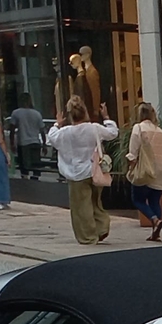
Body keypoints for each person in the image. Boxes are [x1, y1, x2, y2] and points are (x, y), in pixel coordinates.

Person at [47, 98, 118, 244]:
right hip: (94, 170)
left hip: (76, 173)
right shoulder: (93, 128)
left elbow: (51, 138)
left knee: (81, 207)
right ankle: (102, 226)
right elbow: (112, 133)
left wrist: (57, 123)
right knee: (96, 202)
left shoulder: (65, 132)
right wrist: (106, 118)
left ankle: (88, 236)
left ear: (70, 115)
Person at [125, 102, 162, 240]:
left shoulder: (138, 128)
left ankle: (155, 220)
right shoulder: (160, 131)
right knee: (155, 200)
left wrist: (131, 166)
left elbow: (133, 152)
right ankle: (156, 232)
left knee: (138, 199)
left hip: (145, 171)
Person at [9, 100, 47, 179]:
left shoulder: (16, 113)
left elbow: (12, 129)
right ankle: (35, 179)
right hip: (35, 142)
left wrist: (12, 143)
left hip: (23, 143)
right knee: (36, 165)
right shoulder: (37, 114)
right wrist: (44, 144)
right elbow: (42, 130)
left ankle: (25, 179)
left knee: (24, 165)